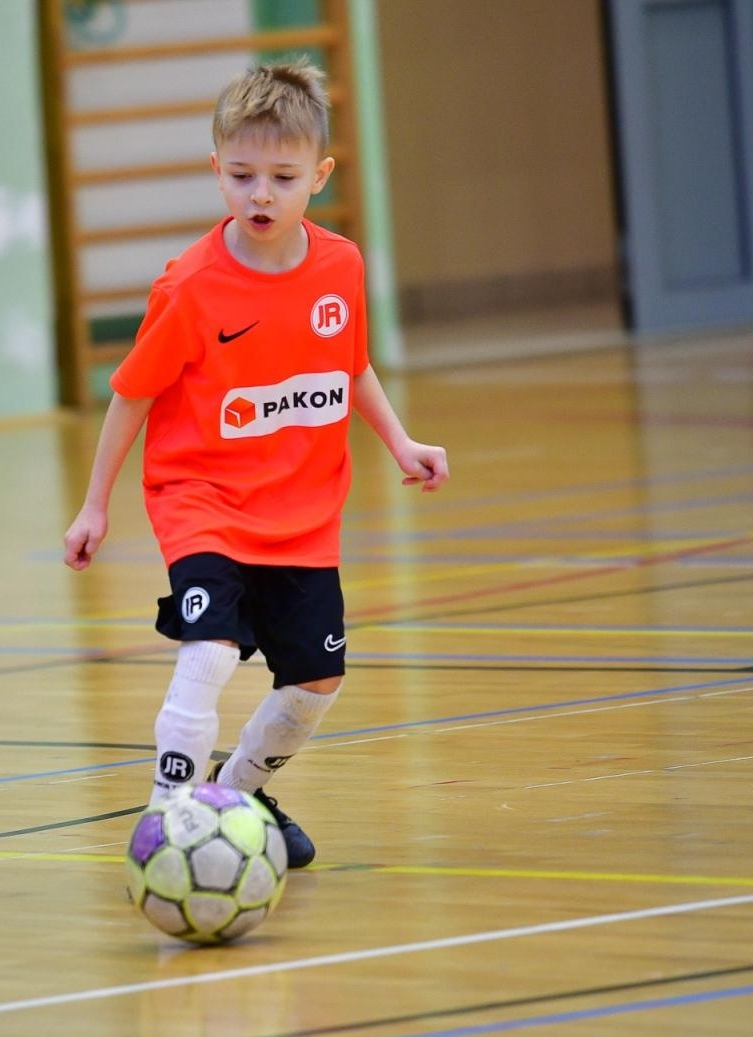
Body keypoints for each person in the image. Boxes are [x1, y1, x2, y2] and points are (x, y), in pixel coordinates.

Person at [62, 59, 448, 872]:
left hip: (303, 517)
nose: (260, 195)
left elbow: (348, 365)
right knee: (209, 650)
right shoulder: (192, 288)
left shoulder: (339, 267)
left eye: (281, 176)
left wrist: (401, 441)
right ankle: (169, 815)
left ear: (320, 175)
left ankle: (236, 795)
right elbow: (131, 395)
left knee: (315, 682)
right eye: (241, 176)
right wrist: (95, 505)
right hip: (199, 498)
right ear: (217, 171)